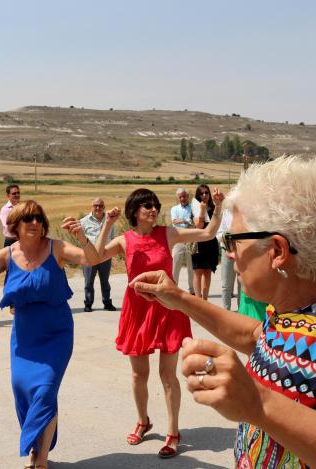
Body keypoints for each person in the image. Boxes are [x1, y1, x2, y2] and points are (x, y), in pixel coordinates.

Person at [131, 156, 316, 469]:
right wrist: (178, 298)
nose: (229, 252)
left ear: (277, 252)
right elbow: (258, 336)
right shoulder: (289, 311)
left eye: (233, 240)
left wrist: (258, 404)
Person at [87, 187, 223, 459]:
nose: (153, 209)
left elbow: (207, 233)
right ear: (135, 211)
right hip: (137, 311)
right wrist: (108, 225)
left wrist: (217, 208)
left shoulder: (168, 233)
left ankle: (173, 431)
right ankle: (143, 420)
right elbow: (95, 256)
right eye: (147, 206)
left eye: (155, 205)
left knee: (167, 374)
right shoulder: (125, 240)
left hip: (168, 307)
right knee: (139, 374)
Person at [0, 200, 98, 469]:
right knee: (24, 391)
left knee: (45, 391)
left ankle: (41, 460)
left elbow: (91, 259)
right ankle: (37, 445)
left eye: (39, 218)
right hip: (25, 337)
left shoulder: (56, 248)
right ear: (15, 225)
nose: (35, 223)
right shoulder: (8, 254)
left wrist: (81, 237)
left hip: (56, 333)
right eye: (28, 219)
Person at [80, 197, 117, 312]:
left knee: (105, 281)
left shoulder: (109, 221)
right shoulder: (84, 221)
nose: (98, 208)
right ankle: (88, 303)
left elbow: (112, 238)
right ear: (92, 207)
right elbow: (81, 239)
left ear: (104, 208)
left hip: (105, 256)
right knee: (88, 281)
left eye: (100, 206)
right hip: (89, 257)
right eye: (95, 205)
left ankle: (107, 302)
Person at [191, 184, 220, 301]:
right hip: (198, 242)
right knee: (198, 271)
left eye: (206, 193)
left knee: (208, 271)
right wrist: (202, 211)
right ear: (198, 195)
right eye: (201, 193)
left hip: (211, 242)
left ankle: (205, 299)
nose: (204, 195)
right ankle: (198, 300)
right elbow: (199, 226)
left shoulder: (213, 208)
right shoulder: (195, 207)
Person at [170, 188, 195, 294]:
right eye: (180, 197)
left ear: (187, 196)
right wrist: (186, 221)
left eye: (184, 196)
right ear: (178, 198)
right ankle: (173, 288)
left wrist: (186, 222)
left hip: (191, 239)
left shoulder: (194, 208)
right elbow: (174, 221)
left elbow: (196, 222)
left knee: (192, 266)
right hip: (178, 239)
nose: (182, 198)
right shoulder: (174, 209)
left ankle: (192, 290)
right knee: (175, 265)